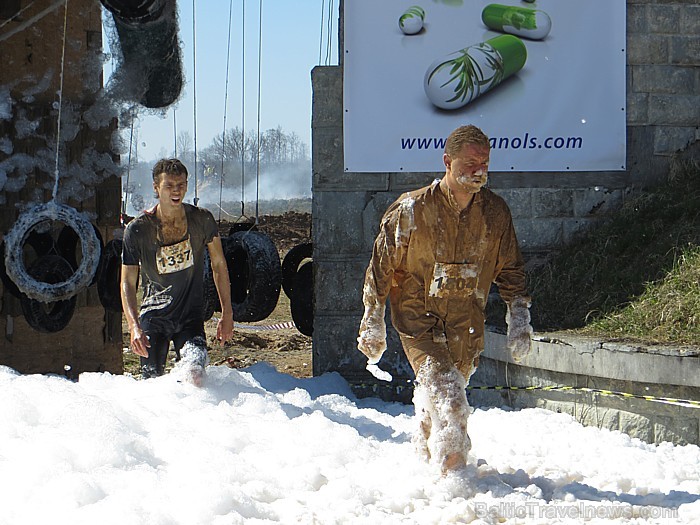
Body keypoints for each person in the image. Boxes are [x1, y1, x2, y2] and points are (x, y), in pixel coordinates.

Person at [357, 125, 533, 474]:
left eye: (484, 162)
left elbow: (511, 268)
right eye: (469, 162)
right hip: (418, 319)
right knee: (452, 400)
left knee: (440, 393)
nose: (478, 170)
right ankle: (456, 486)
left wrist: (519, 317)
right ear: (447, 161)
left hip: (466, 323)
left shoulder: (495, 214)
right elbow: (380, 268)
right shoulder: (410, 210)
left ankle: (424, 463)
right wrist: (372, 320)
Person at [121, 158, 234, 386]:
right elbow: (127, 281)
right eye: (169, 185)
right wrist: (134, 327)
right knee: (152, 383)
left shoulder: (202, 219)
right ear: (156, 187)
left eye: (181, 185)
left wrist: (227, 313)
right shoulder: (138, 229)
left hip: (190, 317)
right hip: (154, 317)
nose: (176, 191)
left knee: (196, 377)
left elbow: (219, 265)